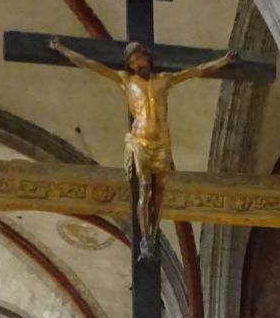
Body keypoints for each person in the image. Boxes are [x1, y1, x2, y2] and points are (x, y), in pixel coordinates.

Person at [50, 39, 237, 259]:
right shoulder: (125, 80)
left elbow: (196, 71)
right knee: (145, 186)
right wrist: (62, 49)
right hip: (140, 141)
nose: (137, 63)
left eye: (139, 58)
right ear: (129, 65)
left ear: (147, 57)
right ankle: (145, 238)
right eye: (132, 61)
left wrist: (224, 60)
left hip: (162, 143)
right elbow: (90, 64)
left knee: (160, 193)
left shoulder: (164, 80)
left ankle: (152, 235)